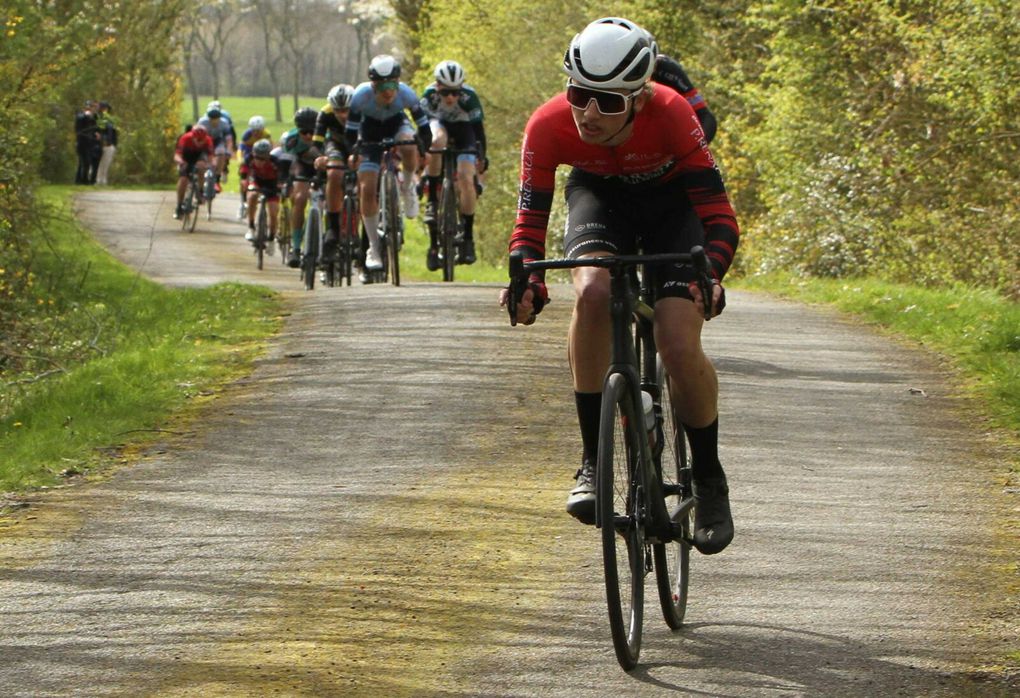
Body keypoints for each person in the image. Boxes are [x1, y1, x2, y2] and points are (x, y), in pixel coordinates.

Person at [499, 17, 740, 555]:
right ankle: (592, 460)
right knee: (591, 294)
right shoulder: (548, 125)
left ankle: (709, 479)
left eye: (608, 102)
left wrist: (712, 274)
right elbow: (528, 230)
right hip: (600, 199)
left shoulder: (674, 114)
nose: (588, 112)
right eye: (580, 94)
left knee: (677, 342)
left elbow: (721, 218)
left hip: (671, 207)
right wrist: (526, 280)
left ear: (639, 98)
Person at [344, 54, 432, 272]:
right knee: (366, 188)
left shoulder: (407, 95)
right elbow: (350, 135)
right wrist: (354, 153)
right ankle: (373, 247)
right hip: (369, 132)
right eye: (382, 85)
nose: (388, 91)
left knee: (409, 143)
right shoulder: (360, 97)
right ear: (373, 85)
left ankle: (408, 185)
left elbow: (425, 130)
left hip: (396, 125)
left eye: (393, 84)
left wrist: (422, 148)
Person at [419, 60, 487, 268]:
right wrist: (423, 153)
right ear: (437, 86)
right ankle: (432, 200)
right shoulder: (428, 96)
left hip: (464, 131)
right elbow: (421, 129)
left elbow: (478, 132)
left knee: (466, 180)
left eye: (455, 93)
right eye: (446, 92)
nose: (450, 98)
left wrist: (482, 157)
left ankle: (467, 238)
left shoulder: (470, 97)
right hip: (438, 128)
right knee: (436, 139)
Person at [314, 83, 355, 259]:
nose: (343, 115)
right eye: (338, 110)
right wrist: (320, 157)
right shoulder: (325, 113)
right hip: (335, 145)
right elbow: (317, 143)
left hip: (356, 144)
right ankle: (332, 228)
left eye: (346, 110)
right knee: (334, 173)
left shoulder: (361, 111)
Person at [281, 107, 324, 268]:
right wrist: (285, 181)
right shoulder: (291, 139)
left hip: (321, 167)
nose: (307, 135)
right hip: (302, 167)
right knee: (299, 199)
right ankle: (296, 246)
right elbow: (285, 163)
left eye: (311, 131)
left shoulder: (323, 136)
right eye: (303, 131)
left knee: (328, 201)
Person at [243, 138, 283, 246]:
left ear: (268, 156)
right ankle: (251, 227)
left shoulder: (276, 162)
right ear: (253, 154)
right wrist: (246, 186)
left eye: (263, 159)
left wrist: (280, 187)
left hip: (272, 185)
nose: (259, 161)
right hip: (257, 181)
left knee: (273, 212)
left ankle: (271, 238)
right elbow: (244, 175)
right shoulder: (249, 159)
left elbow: (280, 179)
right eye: (257, 157)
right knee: (252, 196)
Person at [173, 123, 214, 219]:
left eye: (202, 140)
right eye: (198, 140)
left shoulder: (208, 140)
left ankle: (200, 191)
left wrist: (210, 165)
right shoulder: (185, 138)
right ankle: (179, 206)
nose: (200, 142)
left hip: (199, 156)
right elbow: (177, 155)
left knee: (201, 166)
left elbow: (210, 157)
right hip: (187, 157)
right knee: (183, 180)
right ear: (193, 137)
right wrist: (181, 162)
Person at [237, 115, 272, 218]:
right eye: (254, 131)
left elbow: (270, 149)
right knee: (243, 178)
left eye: (258, 131)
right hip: (249, 153)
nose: (256, 133)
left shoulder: (266, 135)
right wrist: (240, 160)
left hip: (261, 154)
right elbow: (240, 149)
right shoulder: (247, 135)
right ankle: (243, 202)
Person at [196, 107, 234, 192]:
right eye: (211, 119)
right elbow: (195, 136)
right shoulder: (202, 122)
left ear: (219, 118)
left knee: (222, 152)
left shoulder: (224, 123)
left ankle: (217, 178)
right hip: (204, 141)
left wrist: (229, 150)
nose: (214, 121)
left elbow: (229, 140)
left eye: (216, 119)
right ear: (208, 117)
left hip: (217, 141)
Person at [74, 100, 101, 184]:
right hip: (82, 141)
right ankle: (82, 180)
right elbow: (79, 123)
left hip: (90, 142)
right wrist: (85, 115)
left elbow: (95, 127)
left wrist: (96, 133)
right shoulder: (81, 115)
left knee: (86, 162)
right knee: (84, 161)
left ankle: (82, 180)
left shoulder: (94, 117)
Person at [95, 101, 118, 186]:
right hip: (99, 145)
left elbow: (113, 134)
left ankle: (103, 180)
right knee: (98, 163)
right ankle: (98, 180)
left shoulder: (110, 121)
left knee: (106, 163)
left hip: (109, 145)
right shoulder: (97, 119)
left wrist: (112, 143)